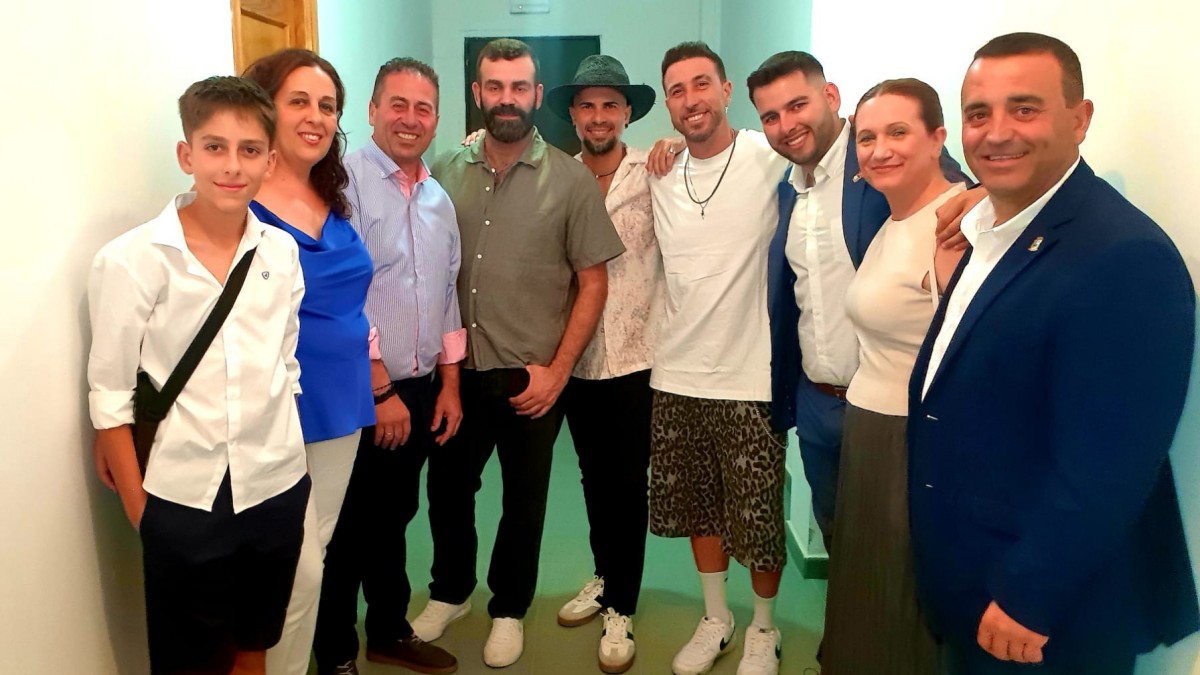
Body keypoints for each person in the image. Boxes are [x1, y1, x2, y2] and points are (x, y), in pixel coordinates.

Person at [909, 32, 1199, 674]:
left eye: (1025, 108)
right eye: (979, 113)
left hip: (1043, 612)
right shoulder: (992, 228)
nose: (997, 132)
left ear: (1080, 118)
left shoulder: (1125, 256)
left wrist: (1029, 594)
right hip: (974, 577)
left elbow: (1111, 461)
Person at [412, 38, 624, 669]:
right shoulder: (442, 170)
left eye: (519, 87)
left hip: (529, 378)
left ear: (536, 94)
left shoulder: (570, 179)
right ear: (478, 92)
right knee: (448, 492)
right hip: (454, 373)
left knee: (523, 502)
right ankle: (450, 593)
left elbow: (593, 282)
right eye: (496, 86)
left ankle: (509, 607)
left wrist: (559, 372)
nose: (508, 98)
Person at [88, 75, 310, 675]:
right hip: (182, 497)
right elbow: (109, 395)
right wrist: (143, 512)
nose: (232, 166)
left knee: (253, 647)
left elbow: (285, 362)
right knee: (191, 661)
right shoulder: (132, 260)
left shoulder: (282, 252)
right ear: (187, 155)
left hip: (275, 485)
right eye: (215, 147)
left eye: (249, 149)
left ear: (269, 161)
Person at [747, 51, 967, 555]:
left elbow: (950, 188)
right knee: (840, 543)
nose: (786, 125)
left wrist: (979, 198)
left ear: (830, 97)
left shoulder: (877, 162)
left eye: (797, 105)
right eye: (771, 117)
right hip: (817, 403)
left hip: (891, 407)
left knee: (901, 553)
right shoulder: (789, 189)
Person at [311, 57, 463, 675]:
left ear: (436, 119)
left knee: (395, 517)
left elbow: (448, 293)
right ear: (372, 110)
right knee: (347, 527)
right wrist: (379, 388)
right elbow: (337, 296)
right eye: (397, 104)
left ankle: (388, 630)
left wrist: (449, 384)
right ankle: (336, 653)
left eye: (423, 108)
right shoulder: (340, 186)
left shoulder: (438, 198)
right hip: (360, 387)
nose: (410, 118)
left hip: (420, 387)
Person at [647, 41, 792, 675]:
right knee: (699, 508)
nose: (691, 100)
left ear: (727, 91)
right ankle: (716, 617)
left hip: (751, 374)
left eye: (701, 84)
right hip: (677, 372)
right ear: (668, 105)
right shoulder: (658, 170)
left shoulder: (769, 157)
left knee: (757, 516)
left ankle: (764, 627)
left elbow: (845, 149)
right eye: (677, 91)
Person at [819, 77, 966, 675]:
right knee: (869, 583)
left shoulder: (956, 225)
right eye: (867, 137)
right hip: (871, 426)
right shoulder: (893, 217)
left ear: (937, 138)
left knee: (902, 595)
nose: (879, 150)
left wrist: (980, 194)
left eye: (898, 132)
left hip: (914, 437)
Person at [240, 50, 375, 675]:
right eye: (299, 101)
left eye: (327, 106)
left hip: (342, 406)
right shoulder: (239, 199)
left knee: (312, 555)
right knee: (291, 571)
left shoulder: (329, 192)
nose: (316, 117)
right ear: (265, 108)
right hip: (279, 408)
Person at [542, 54, 663, 674]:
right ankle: (604, 574)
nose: (598, 116)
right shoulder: (555, 177)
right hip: (576, 356)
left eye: (610, 105)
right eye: (587, 105)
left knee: (626, 484)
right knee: (593, 479)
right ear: (572, 113)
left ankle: (622, 605)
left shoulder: (656, 172)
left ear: (627, 113)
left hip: (638, 358)